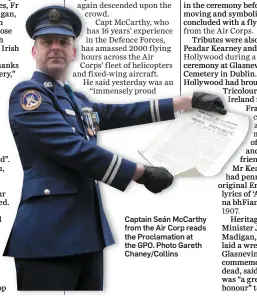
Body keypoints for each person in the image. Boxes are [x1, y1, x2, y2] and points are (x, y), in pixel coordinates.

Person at [3, 5, 227, 291]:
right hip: (46, 233)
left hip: (87, 232)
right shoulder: (29, 96)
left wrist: (188, 101)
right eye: (47, 42)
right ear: (34, 51)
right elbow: (72, 148)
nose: (56, 48)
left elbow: (120, 112)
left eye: (64, 42)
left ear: (74, 52)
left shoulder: (75, 99)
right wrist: (141, 173)